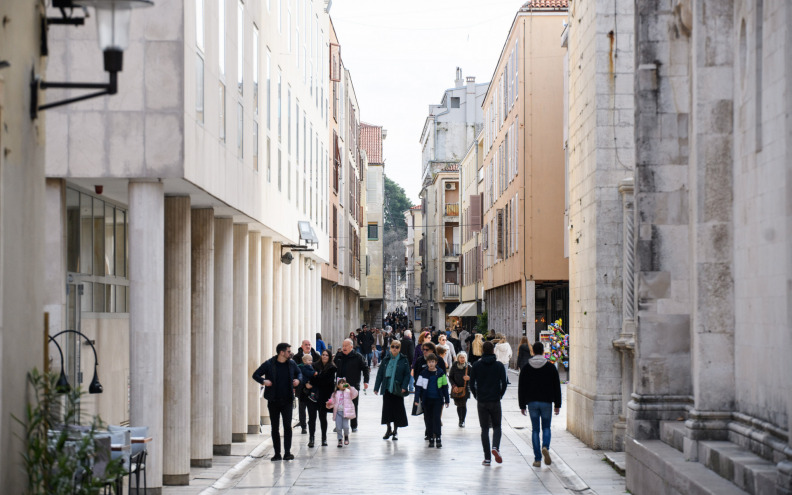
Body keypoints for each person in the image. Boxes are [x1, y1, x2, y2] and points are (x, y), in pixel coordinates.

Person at [252, 342, 303, 461]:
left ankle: (287, 453)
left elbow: (299, 373)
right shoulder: (269, 364)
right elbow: (256, 374)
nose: (290, 353)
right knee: (274, 428)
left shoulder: (291, 363)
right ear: (282, 352)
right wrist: (263, 381)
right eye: (288, 351)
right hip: (273, 400)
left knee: (287, 427)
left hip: (288, 401)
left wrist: (298, 381)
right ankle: (277, 454)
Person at [518, 342, 562, 468]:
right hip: (547, 402)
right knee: (546, 428)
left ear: (533, 352)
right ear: (543, 351)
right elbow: (556, 387)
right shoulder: (550, 367)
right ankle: (545, 447)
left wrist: (522, 405)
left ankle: (537, 459)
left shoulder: (526, 368)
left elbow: (522, 387)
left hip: (532, 402)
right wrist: (557, 404)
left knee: (535, 430)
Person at [470, 341, 508, 466]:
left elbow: (471, 384)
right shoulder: (499, 366)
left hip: (482, 400)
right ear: (493, 351)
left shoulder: (476, 365)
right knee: (497, 426)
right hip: (495, 400)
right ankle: (495, 447)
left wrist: (477, 395)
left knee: (484, 428)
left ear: (482, 350)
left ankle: (487, 458)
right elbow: (504, 382)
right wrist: (500, 395)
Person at [373, 339, 410, 441]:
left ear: (399, 348)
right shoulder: (386, 359)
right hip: (387, 388)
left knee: (397, 410)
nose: (394, 349)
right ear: (390, 347)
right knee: (387, 410)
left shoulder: (404, 359)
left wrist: (404, 386)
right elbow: (380, 374)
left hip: (397, 389)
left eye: (397, 347)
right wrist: (376, 387)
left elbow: (407, 374)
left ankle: (395, 431)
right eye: (393, 346)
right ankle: (388, 428)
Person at [333, 339, 370, 431]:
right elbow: (332, 367)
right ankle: (339, 424)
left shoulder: (358, 356)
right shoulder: (339, 356)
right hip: (340, 385)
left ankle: (354, 425)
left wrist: (366, 381)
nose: (344, 348)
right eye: (343, 346)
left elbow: (365, 368)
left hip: (352, 385)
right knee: (339, 406)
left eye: (346, 346)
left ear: (351, 346)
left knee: (353, 405)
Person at [414, 353, 449, 448]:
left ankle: (438, 437)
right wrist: (416, 399)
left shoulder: (441, 373)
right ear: (427, 363)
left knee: (437, 418)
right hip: (427, 400)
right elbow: (418, 387)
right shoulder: (423, 373)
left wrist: (447, 399)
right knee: (428, 419)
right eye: (429, 362)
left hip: (438, 400)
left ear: (436, 362)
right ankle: (430, 438)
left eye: (433, 362)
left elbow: (445, 387)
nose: (431, 364)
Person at [308, 348, 336, 446]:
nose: (324, 356)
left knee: (322, 418)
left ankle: (324, 438)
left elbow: (325, 381)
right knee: (312, 418)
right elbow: (311, 377)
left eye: (326, 355)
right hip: (313, 396)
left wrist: (315, 380)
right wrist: (315, 380)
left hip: (324, 396)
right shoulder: (314, 365)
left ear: (329, 357)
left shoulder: (332, 368)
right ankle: (311, 438)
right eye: (323, 355)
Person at [294, 340, 321, 433]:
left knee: (313, 406)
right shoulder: (296, 357)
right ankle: (303, 426)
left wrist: (313, 383)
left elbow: (319, 371)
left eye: (309, 344)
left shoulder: (317, 356)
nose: (308, 346)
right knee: (302, 407)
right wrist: (304, 383)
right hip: (301, 387)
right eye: (306, 345)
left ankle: (311, 423)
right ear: (302, 346)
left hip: (313, 387)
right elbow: (295, 372)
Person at [327, 378, 358, 447]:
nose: (343, 384)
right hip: (338, 412)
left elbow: (355, 394)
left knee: (346, 427)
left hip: (345, 412)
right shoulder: (335, 393)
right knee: (338, 427)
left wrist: (350, 388)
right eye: (341, 383)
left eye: (344, 383)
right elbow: (332, 401)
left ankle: (346, 436)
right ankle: (340, 439)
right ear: (338, 386)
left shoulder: (348, 392)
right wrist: (329, 404)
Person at [296, 354, 318, 445]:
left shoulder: (312, 364)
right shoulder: (303, 367)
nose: (311, 362)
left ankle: (311, 435)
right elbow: (309, 374)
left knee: (312, 413)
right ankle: (303, 426)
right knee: (302, 409)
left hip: (310, 391)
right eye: (309, 360)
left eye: (311, 360)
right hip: (303, 392)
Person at [448, 351, 472, 427]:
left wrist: (469, 378)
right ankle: (460, 419)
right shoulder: (454, 366)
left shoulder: (469, 367)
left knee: (463, 404)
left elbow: (475, 377)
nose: (462, 359)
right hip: (456, 388)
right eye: (461, 357)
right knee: (459, 405)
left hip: (465, 389)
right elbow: (450, 377)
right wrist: (453, 385)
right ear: (458, 358)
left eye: (464, 357)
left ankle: (462, 420)